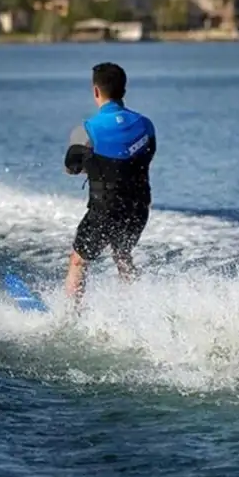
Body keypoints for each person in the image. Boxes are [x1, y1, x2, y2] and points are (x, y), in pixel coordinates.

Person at [64, 61, 156, 299]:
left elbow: (71, 168)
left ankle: (71, 315)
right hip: (138, 209)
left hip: (106, 211)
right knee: (122, 255)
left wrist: (95, 167)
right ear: (123, 90)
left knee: (78, 262)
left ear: (96, 91)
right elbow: (144, 157)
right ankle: (138, 305)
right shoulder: (146, 125)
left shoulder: (85, 130)